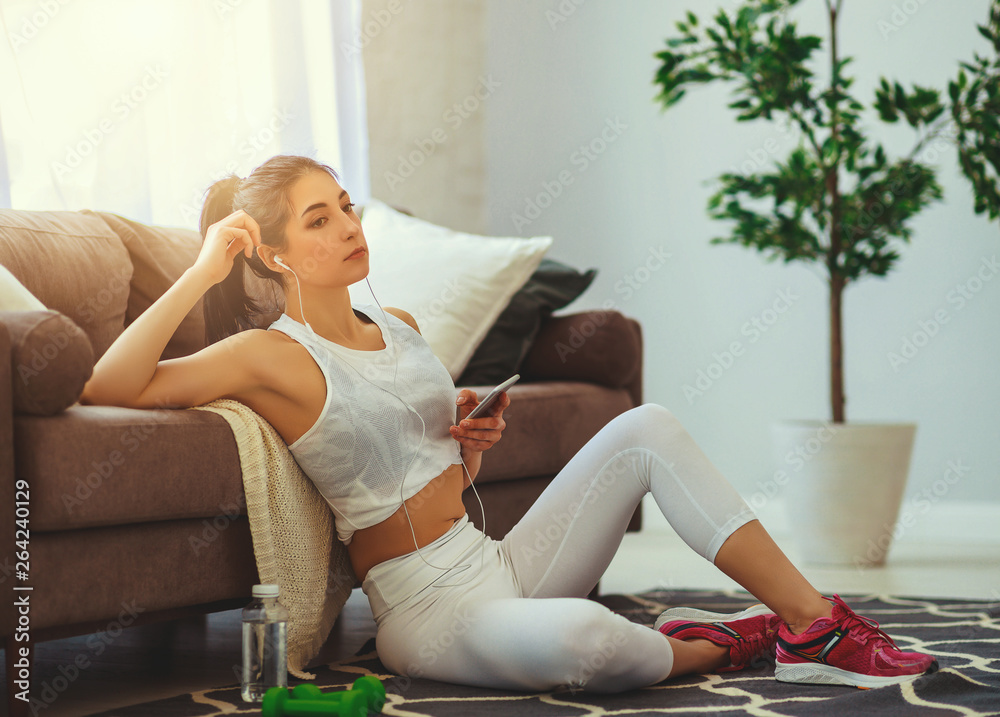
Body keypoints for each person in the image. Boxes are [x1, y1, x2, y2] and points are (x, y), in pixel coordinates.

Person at [81, 155, 937, 693]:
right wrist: (202, 270)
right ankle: (721, 642)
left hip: (499, 557)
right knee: (591, 641)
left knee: (650, 425)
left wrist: (465, 439)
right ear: (272, 255)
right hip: (429, 610)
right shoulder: (270, 354)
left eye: (345, 204)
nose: (348, 224)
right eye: (319, 219)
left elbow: (428, 468)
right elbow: (112, 380)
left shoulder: (404, 326)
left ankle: (816, 620)